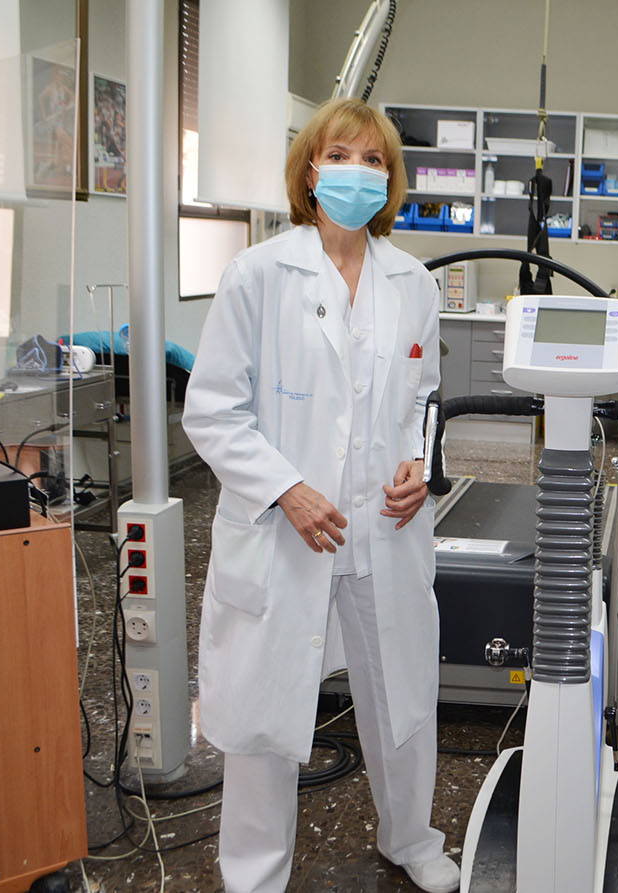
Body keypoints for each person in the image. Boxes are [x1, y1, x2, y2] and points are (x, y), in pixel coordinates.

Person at [182, 97, 458, 893]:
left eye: (375, 161)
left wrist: (415, 462)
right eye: (344, 155)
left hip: (383, 529)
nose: (360, 172)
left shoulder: (410, 280)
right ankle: (255, 871)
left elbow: (422, 398)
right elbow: (212, 410)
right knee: (265, 712)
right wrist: (286, 490)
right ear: (311, 169)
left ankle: (411, 836)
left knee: (401, 692)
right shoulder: (259, 273)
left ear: (390, 178)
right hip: (285, 531)